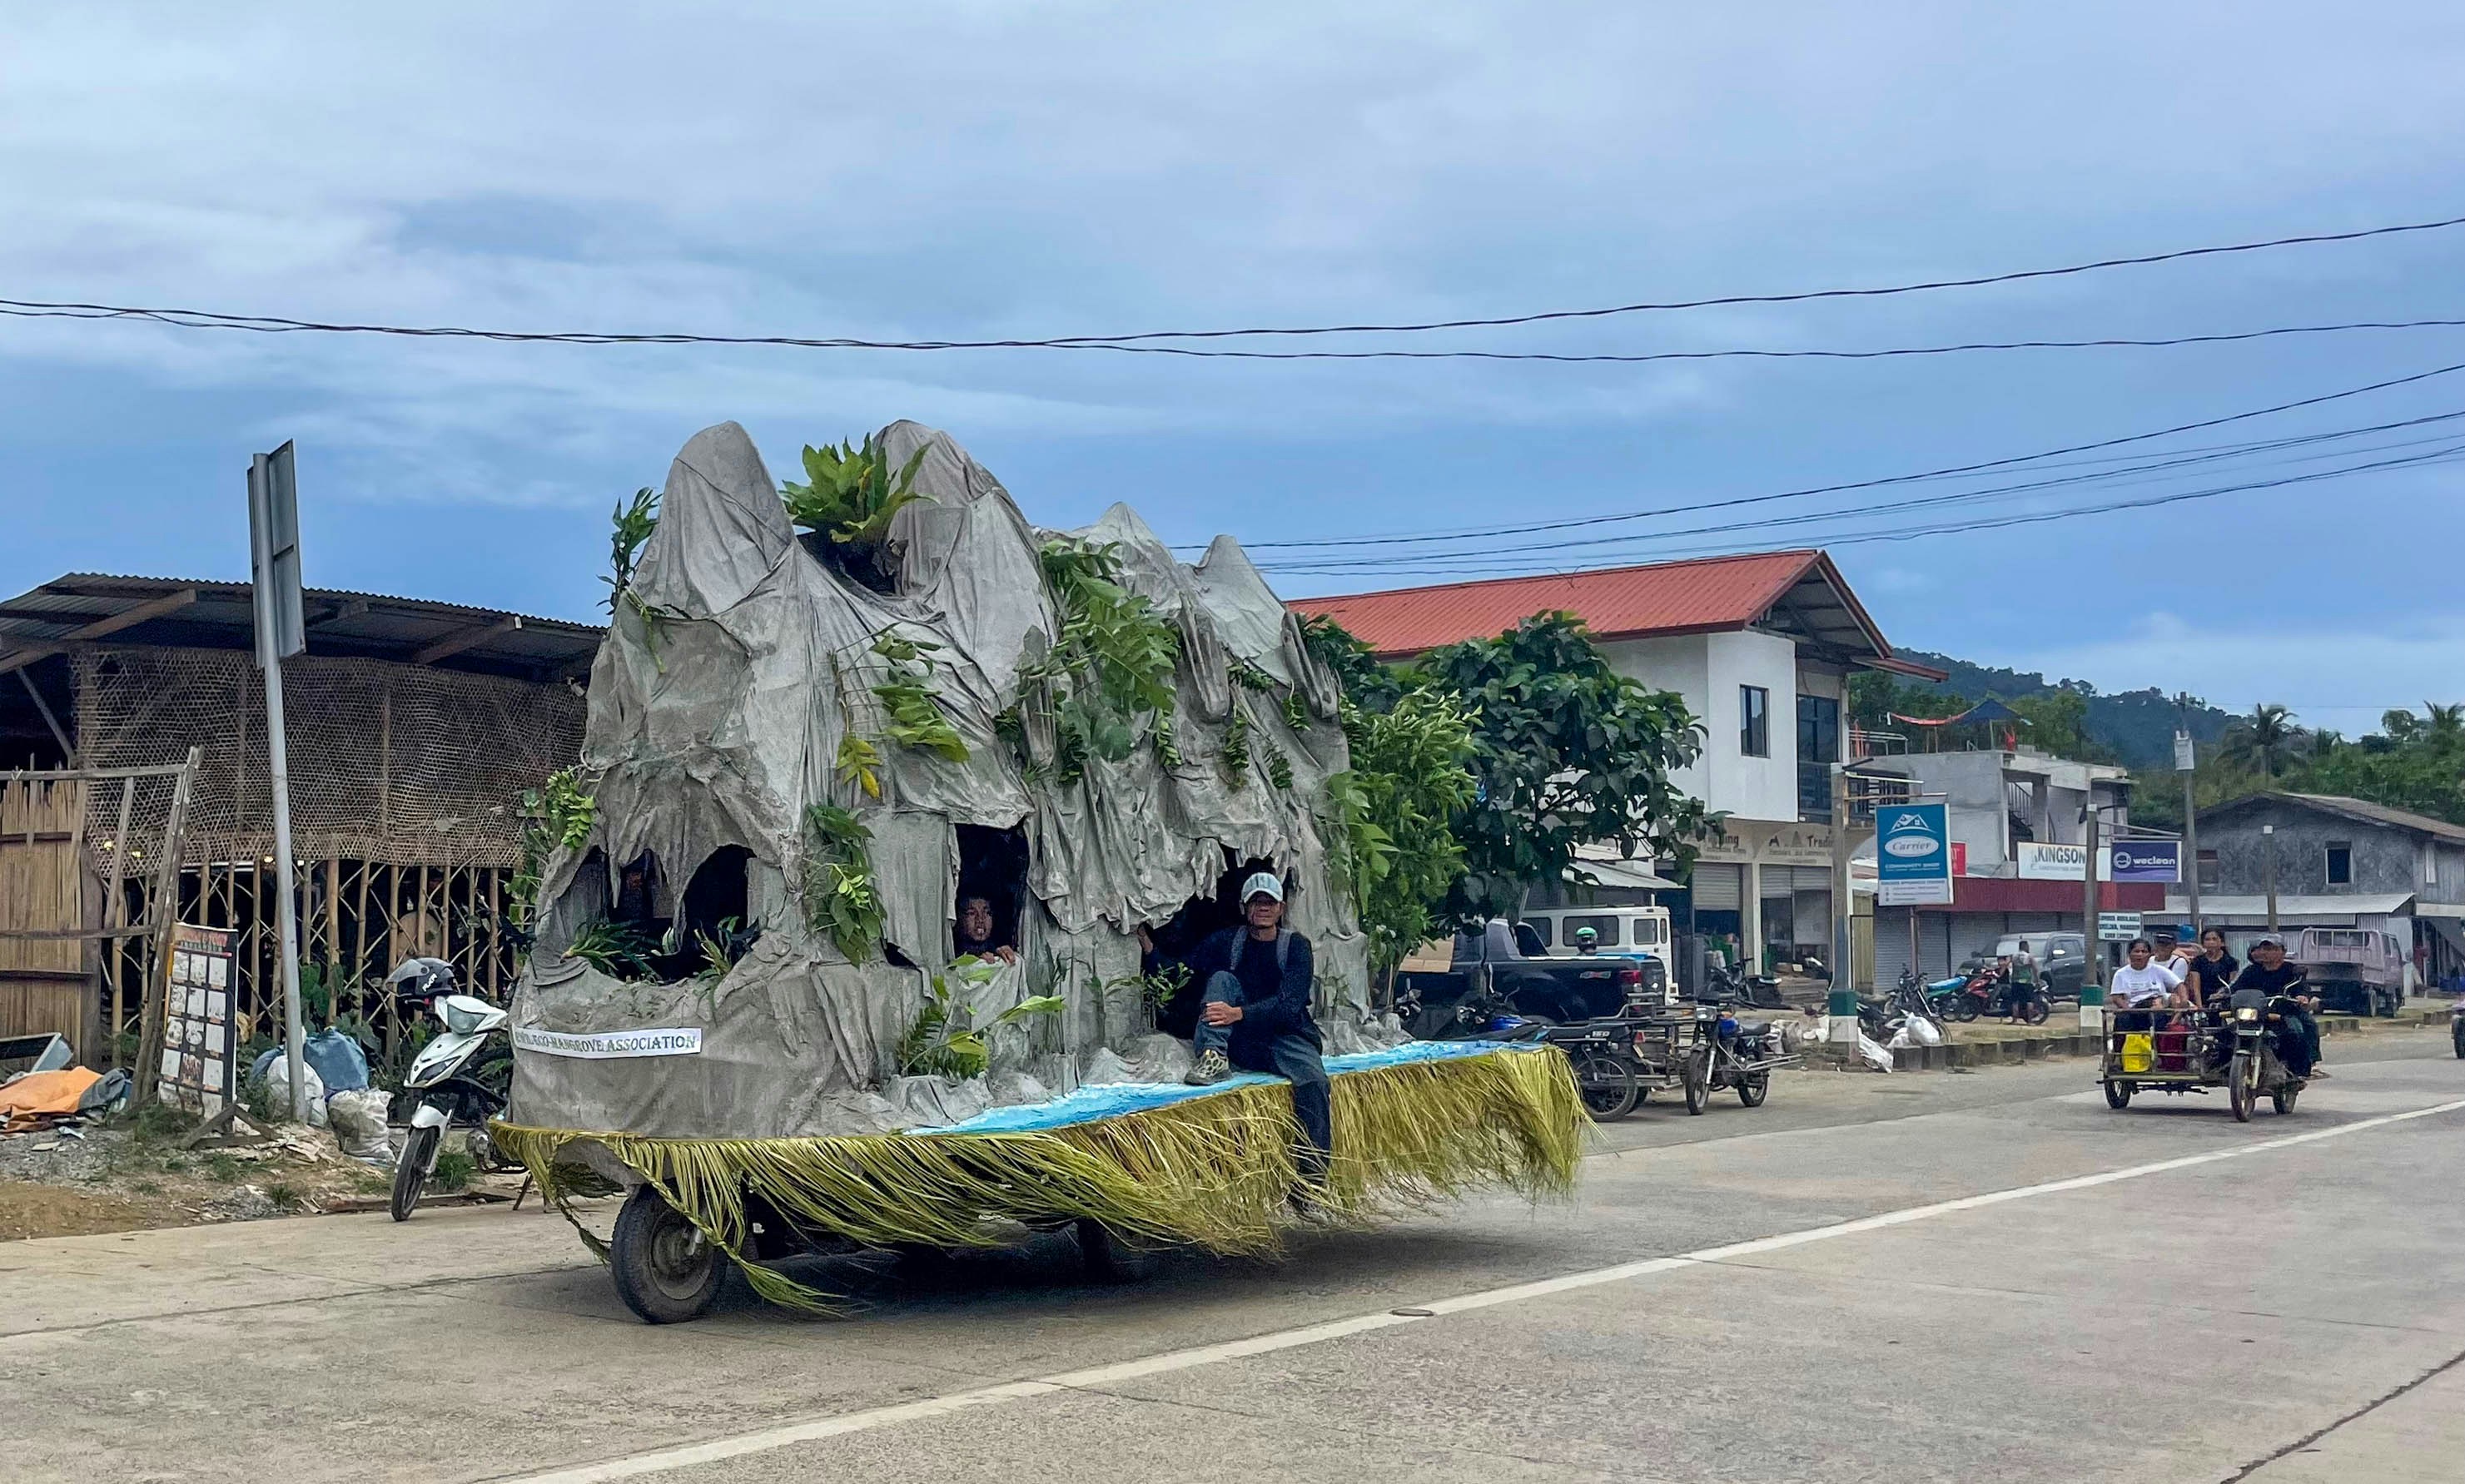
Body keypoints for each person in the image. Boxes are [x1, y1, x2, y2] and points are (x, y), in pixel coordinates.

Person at [1178, 873, 1331, 1183]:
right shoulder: (1227, 941)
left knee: (1314, 1082)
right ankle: (1212, 1056)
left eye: (1269, 901)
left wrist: (1239, 1013)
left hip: (1286, 1035)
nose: (1262, 907)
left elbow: (1289, 1005)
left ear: (1281, 908)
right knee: (1221, 979)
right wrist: (1147, 947)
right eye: (1255, 901)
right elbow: (1182, 968)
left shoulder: (1296, 946)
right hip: (1244, 1040)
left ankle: (1311, 1178)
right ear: (1243, 906)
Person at [2229, 934, 2323, 1079]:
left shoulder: (2292, 971)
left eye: (2271, 949)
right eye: (2263, 949)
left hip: (2284, 1011)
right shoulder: (2252, 971)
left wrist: (2302, 997)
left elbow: (2302, 988)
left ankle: (2303, 1068)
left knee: (2296, 1030)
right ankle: (2228, 1066)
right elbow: (2235, 988)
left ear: (2283, 952)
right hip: (2256, 1013)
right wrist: (2222, 994)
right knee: (2227, 1032)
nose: (2265, 952)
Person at [952, 893, 1016, 965]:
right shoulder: (950, 950)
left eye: (987, 913)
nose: (980, 919)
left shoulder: (992, 946)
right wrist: (978, 962)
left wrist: (1000, 954)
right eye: (972, 913)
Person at [2184, 927, 2238, 1007]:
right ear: (2203, 943)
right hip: (2204, 1003)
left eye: (2214, 939)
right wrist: (2200, 1008)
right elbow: (2196, 988)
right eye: (2207, 940)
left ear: (2222, 942)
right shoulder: (2197, 961)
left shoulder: (2231, 961)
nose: (2211, 942)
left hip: (2224, 1003)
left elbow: (2232, 985)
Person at [2005, 941, 2040, 1023]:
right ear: (2026, 947)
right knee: (2029, 1001)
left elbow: (2006, 965)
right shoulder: (2029, 957)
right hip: (2027, 982)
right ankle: (2029, 1021)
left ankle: (2014, 1021)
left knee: (2015, 1002)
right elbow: (2035, 969)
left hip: (2015, 981)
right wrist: (2037, 981)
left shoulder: (2013, 956)